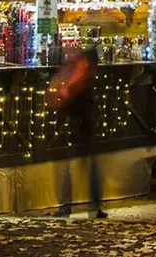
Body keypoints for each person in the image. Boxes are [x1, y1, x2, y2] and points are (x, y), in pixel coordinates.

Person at [50, 47, 105, 218]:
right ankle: (94, 206)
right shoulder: (86, 72)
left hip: (76, 119)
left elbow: (67, 92)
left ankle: (67, 206)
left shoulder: (78, 71)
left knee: (72, 165)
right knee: (88, 166)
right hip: (85, 120)